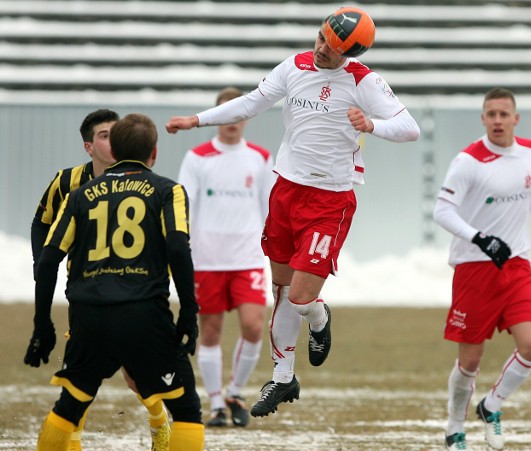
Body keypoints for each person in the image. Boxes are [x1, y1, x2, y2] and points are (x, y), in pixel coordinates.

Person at [166, 6, 420, 418]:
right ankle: (283, 379)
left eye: (332, 49)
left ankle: (319, 317)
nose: (321, 50)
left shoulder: (364, 81)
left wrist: (372, 125)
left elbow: (410, 128)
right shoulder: (295, 65)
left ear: (350, 54)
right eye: (320, 38)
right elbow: (251, 103)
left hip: (329, 200)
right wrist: (197, 120)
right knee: (281, 292)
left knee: (302, 297)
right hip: (285, 191)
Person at [24, 113, 204, 450]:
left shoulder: (79, 195)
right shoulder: (169, 190)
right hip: (144, 312)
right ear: (154, 152)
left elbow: (48, 259)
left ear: (116, 151)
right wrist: (189, 314)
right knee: (186, 409)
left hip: (87, 313)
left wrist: (41, 325)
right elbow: (178, 248)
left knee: (70, 406)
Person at [433, 87, 531, 450]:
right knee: (469, 361)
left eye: (504, 114)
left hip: (516, 264)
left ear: (516, 119)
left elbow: (530, 185)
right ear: (483, 119)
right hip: (474, 268)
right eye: (491, 114)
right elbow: (442, 211)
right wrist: (481, 238)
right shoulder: (468, 161)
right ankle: (455, 428)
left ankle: (491, 406)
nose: (498, 121)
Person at [177, 87, 275, 427]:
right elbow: (184, 209)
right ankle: (217, 402)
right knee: (212, 332)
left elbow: (269, 209)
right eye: (225, 113)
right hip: (208, 260)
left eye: (238, 114)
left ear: (246, 117)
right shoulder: (198, 157)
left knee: (253, 326)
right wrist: (185, 252)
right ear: (216, 116)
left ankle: (235, 391)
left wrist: (273, 249)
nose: (232, 121)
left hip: (247, 258)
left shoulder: (261, 158)